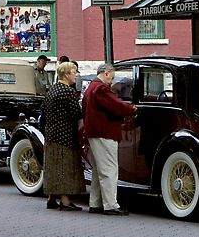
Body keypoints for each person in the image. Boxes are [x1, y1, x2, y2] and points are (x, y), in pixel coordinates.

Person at [82, 63, 137, 216]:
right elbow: (116, 105)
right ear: (106, 73)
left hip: (94, 132)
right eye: (111, 78)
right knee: (109, 170)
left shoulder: (90, 88)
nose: (111, 82)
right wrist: (132, 109)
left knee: (98, 170)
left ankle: (96, 203)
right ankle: (111, 205)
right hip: (104, 133)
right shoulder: (101, 89)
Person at [42, 61, 86, 211]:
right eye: (74, 73)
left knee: (52, 166)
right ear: (66, 75)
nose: (76, 76)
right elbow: (77, 113)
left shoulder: (52, 90)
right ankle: (65, 201)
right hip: (65, 135)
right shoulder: (68, 92)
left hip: (51, 134)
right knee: (64, 167)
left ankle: (51, 198)